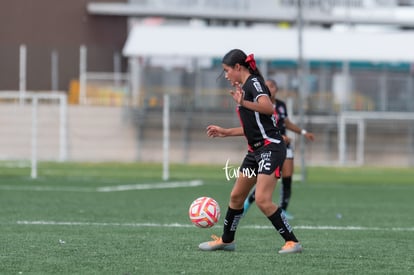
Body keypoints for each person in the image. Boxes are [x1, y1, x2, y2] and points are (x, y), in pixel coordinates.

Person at [199, 49, 302, 254]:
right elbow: (253, 127)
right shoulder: (245, 87)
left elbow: (268, 108)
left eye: (227, 70)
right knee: (237, 196)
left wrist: (243, 102)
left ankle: (292, 242)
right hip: (255, 152)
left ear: (238, 67)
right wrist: (226, 132)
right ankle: (227, 241)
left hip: (270, 149)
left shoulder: (254, 83)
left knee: (263, 199)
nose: (226, 75)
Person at [243, 79, 315, 219]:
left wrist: (304, 132)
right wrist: (280, 136)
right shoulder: (260, 106)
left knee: (287, 177)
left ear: (276, 89)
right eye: (267, 86)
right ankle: (246, 204)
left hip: (284, 146)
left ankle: (282, 210)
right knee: (266, 180)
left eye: (272, 86)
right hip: (269, 145)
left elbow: (286, 123)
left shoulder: (281, 105)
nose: (269, 88)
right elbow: (261, 127)